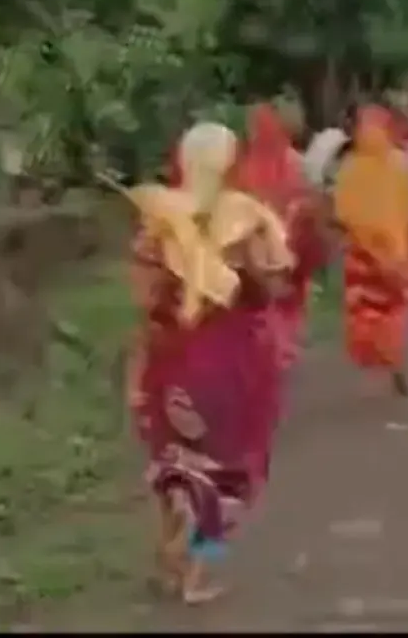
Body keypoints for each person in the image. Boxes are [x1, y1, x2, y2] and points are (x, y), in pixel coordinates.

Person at [123, 122, 294, 605]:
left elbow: (144, 296)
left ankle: (168, 557)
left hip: (170, 355)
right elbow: (276, 286)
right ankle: (196, 572)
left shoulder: (159, 219)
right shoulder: (246, 218)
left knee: (174, 460)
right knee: (227, 471)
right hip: (231, 359)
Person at [333, 106, 408, 397]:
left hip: (362, 253)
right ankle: (396, 365)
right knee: (396, 312)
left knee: (366, 312)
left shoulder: (350, 168)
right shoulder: (401, 164)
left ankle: (377, 362)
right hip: (396, 252)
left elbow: (343, 214)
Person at [233, 102, 326, 374]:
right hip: (292, 237)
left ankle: (272, 345)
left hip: (259, 243)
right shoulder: (294, 161)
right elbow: (309, 195)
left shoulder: (243, 167)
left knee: (266, 298)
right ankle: (284, 345)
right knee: (292, 297)